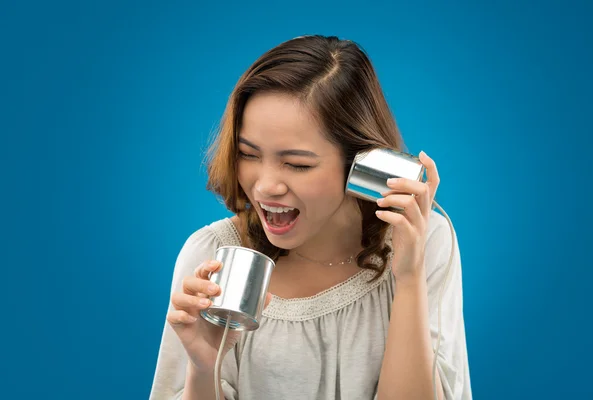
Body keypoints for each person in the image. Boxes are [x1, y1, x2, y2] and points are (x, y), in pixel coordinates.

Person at [149, 35, 472, 400]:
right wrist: (203, 370)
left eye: (297, 164)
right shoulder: (212, 257)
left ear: (358, 162)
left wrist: (410, 276)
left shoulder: (422, 239)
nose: (266, 186)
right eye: (248, 154)